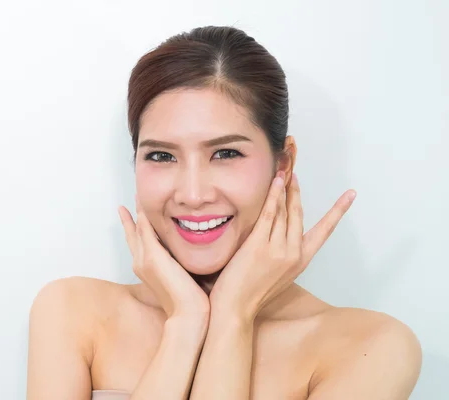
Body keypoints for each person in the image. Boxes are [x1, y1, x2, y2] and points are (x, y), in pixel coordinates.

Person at [26, 25, 422, 399]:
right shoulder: (73, 312)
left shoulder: (371, 348)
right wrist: (186, 323)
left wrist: (232, 316)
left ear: (282, 165)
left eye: (226, 153)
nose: (194, 194)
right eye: (161, 155)